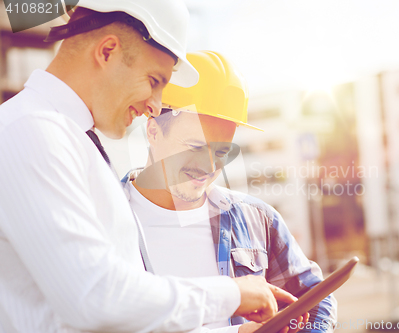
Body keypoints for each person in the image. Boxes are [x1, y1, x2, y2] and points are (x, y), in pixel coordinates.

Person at [0, 2, 295, 332]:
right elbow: (95, 300)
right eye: (154, 81)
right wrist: (231, 294)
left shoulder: (73, 141)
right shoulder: (31, 131)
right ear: (108, 50)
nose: (155, 107)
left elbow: (122, 320)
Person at [123, 51, 337, 333]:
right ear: (153, 131)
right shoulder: (102, 217)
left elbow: (316, 299)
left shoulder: (258, 220)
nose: (209, 166)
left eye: (221, 151)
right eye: (195, 147)